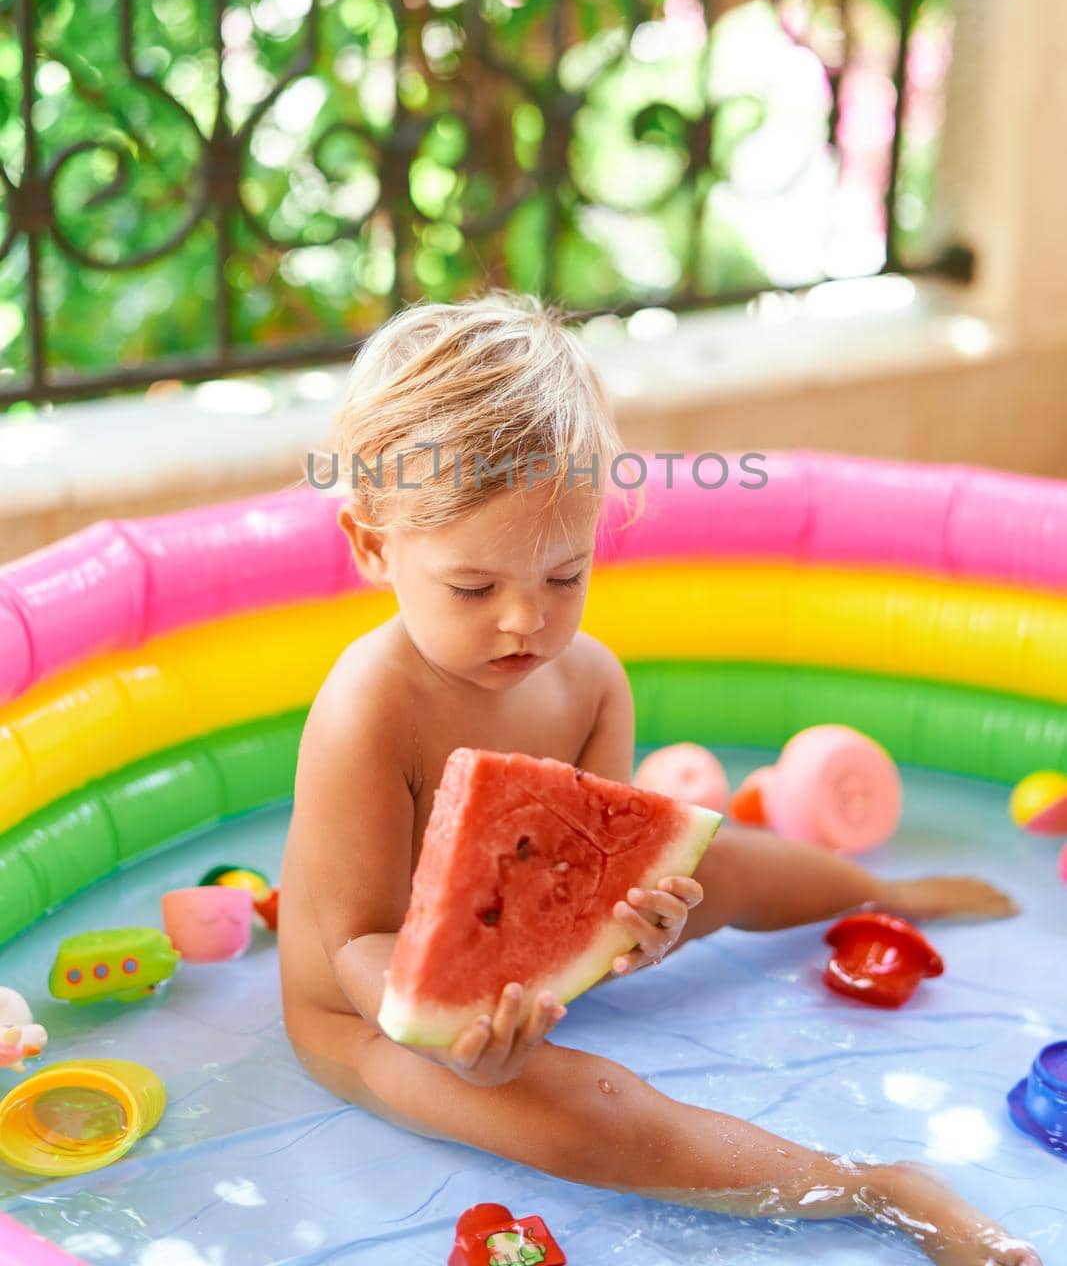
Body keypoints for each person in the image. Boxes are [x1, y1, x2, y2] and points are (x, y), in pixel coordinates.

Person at [279, 290, 1040, 1266]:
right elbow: (356, 940)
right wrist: (452, 1022)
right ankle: (875, 1188)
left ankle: (879, 891)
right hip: (371, 1018)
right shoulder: (368, 706)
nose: (527, 621)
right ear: (372, 547)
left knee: (727, 860)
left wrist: (640, 930)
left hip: (516, 973)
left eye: (564, 574)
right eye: (474, 587)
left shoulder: (589, 680)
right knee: (586, 1110)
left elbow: (591, 889)